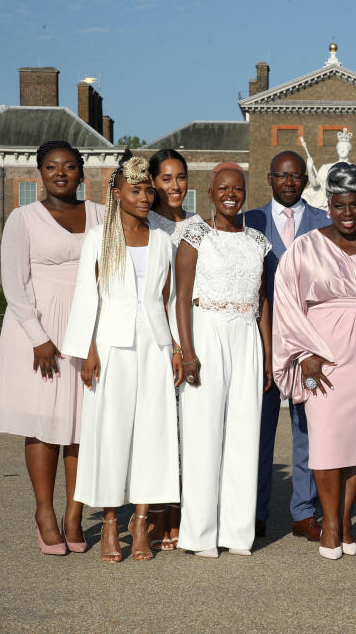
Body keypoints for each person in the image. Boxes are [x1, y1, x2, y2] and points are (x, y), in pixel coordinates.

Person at [272, 162, 356, 560]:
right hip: (322, 362)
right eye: (339, 205)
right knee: (326, 445)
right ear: (328, 205)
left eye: (354, 205)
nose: (348, 213)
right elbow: (286, 302)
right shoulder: (305, 246)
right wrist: (304, 355)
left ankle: (345, 521)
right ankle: (329, 524)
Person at [61, 156, 181, 563]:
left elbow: (170, 299)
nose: (146, 197)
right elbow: (86, 295)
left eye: (149, 190)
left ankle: (141, 520)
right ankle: (111, 519)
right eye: (137, 190)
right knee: (110, 434)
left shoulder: (163, 239)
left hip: (155, 346)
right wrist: (88, 350)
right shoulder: (98, 237)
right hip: (110, 347)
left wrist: (177, 347)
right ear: (118, 194)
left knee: (153, 432)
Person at [0, 140, 105, 555]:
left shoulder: (101, 216)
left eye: (69, 167)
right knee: (44, 425)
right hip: (39, 333)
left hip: (86, 331)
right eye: (52, 167)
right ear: (40, 172)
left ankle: (74, 515)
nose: (61, 173)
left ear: (81, 173)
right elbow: (14, 285)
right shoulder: (24, 219)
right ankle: (44, 513)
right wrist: (39, 338)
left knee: (80, 426)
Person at [175, 162, 272, 558]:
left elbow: (263, 302)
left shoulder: (258, 241)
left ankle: (237, 533)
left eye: (238, 188)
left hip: (247, 335)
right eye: (223, 188)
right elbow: (181, 297)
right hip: (206, 331)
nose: (231, 193)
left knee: (244, 435)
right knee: (203, 435)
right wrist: (188, 351)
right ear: (211, 192)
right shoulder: (194, 234)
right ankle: (199, 534)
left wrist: (267, 357)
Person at [244, 151, 329, 542]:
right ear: (270, 178)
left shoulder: (323, 223)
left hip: (308, 347)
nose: (290, 182)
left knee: (307, 428)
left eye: (297, 176)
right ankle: (254, 511)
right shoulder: (248, 222)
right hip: (259, 344)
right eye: (283, 175)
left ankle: (303, 511)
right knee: (257, 431)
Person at [146, 147, 192, 550]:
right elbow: (157, 293)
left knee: (186, 429)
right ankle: (158, 510)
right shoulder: (147, 226)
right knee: (159, 427)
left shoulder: (198, 226)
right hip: (159, 336)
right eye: (166, 178)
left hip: (193, 335)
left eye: (180, 177)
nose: (175, 186)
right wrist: (172, 343)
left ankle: (182, 510)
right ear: (153, 182)